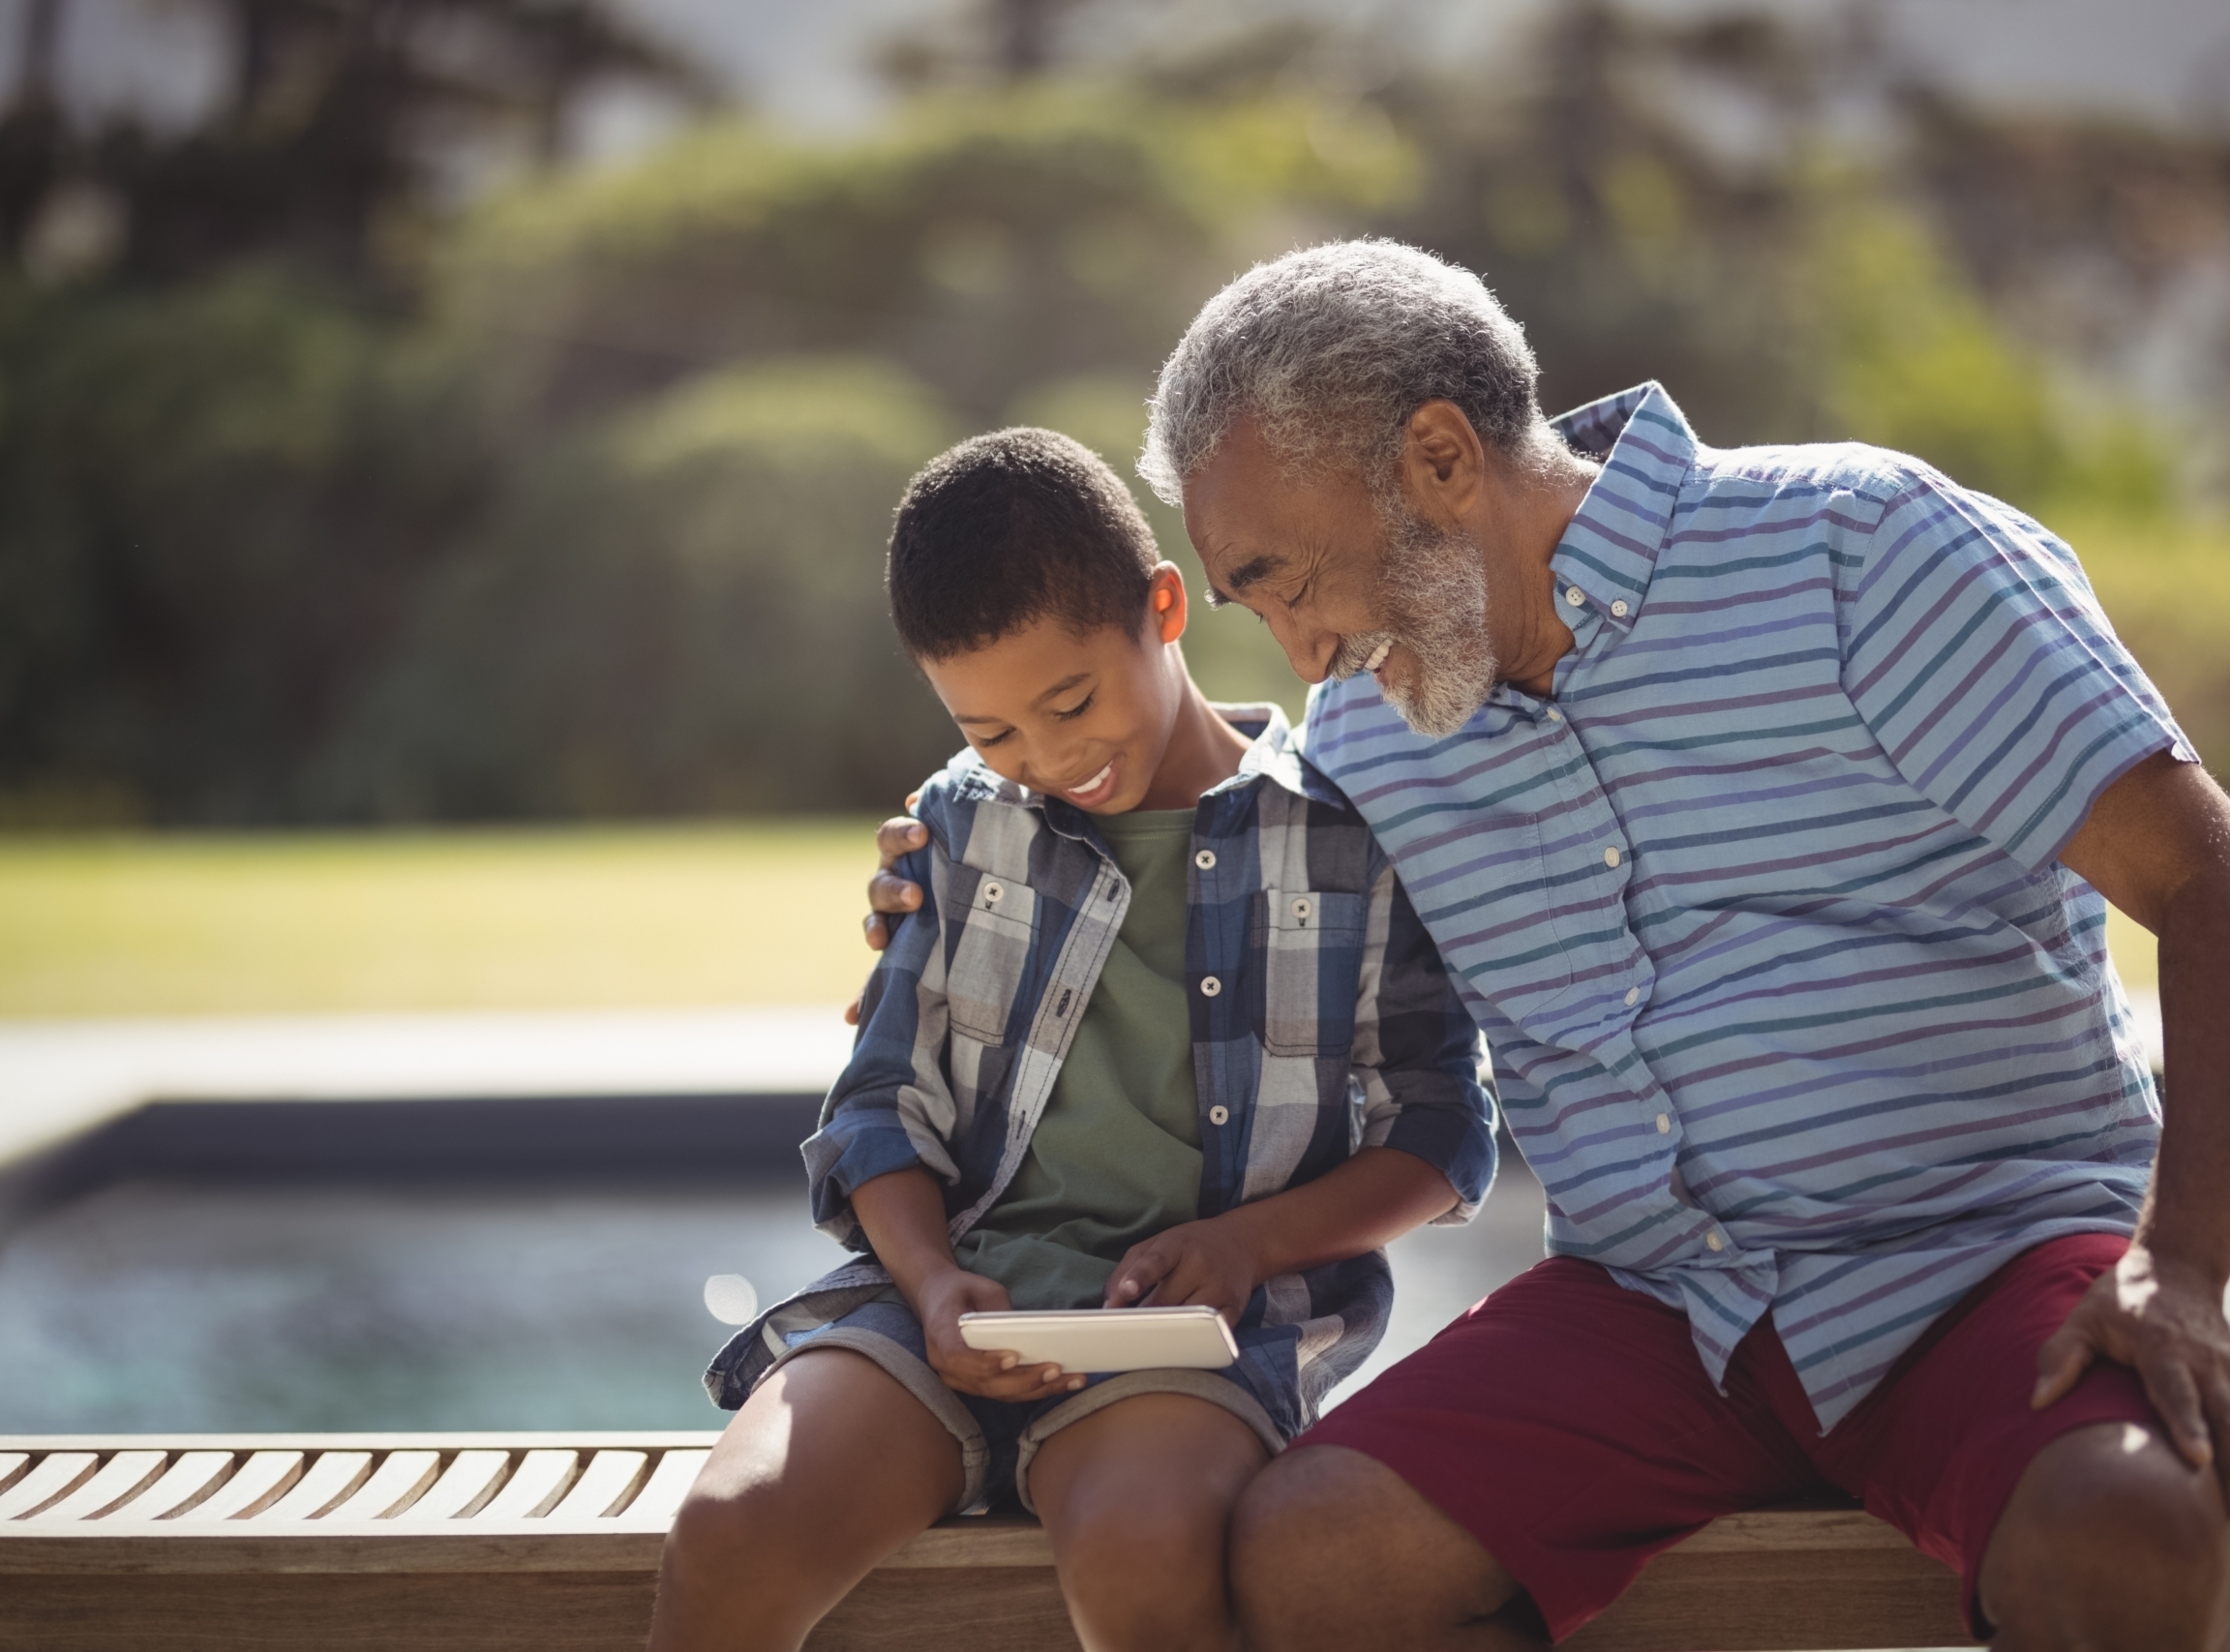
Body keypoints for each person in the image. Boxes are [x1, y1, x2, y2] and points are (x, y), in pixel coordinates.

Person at [859, 243, 2230, 1649]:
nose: (1301, 651)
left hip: (1979, 1258)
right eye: (1249, 606)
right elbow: (1196, 920)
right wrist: (946, 893)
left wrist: (2183, 1262)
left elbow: (2208, 873)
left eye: (1290, 580)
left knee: (2128, 1519)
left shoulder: (1860, 549)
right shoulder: (1371, 738)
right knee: (1318, 1550)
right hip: (1656, 1305)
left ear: (1444, 458)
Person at [649, 426, 1493, 1652]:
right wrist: (934, 1285)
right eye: (991, 734)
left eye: (1070, 702)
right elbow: (877, 1105)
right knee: (735, 1524)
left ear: (1163, 608)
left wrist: (1248, 1244)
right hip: (946, 1313)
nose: (1047, 760)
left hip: (1187, 1350)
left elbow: (1442, 1135)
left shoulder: (1347, 838)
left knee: (1143, 1549)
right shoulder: (960, 826)